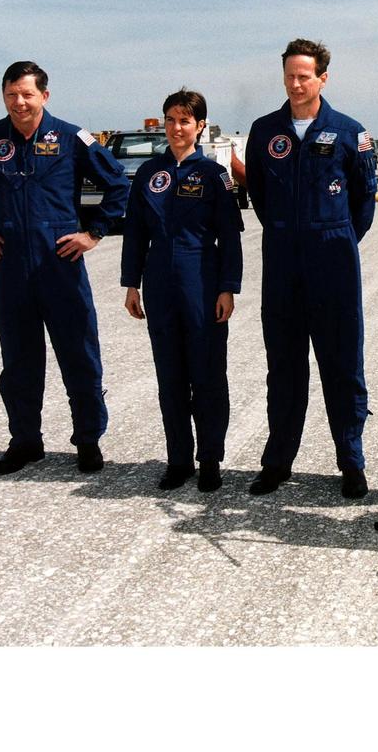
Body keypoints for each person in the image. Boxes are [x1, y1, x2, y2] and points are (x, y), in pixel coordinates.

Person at [0, 61, 129, 475]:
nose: (19, 102)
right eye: (11, 95)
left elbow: (118, 184)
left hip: (60, 265)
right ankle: (26, 441)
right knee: (19, 361)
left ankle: (88, 440)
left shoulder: (70, 137)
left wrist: (93, 233)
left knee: (79, 354)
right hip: (12, 270)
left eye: (27, 94)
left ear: (44, 95)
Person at [245, 39, 377, 498]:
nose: (296, 84)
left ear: (323, 77)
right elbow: (259, 194)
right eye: (289, 76)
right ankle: (278, 461)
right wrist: (289, 232)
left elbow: (364, 199)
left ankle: (351, 462)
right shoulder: (264, 131)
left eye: (305, 76)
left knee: (342, 366)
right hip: (282, 261)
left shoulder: (349, 131)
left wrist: (333, 237)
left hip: (333, 261)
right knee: (283, 367)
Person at [121, 89, 244, 493]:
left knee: (207, 374)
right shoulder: (148, 175)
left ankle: (210, 458)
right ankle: (178, 458)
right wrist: (131, 283)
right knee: (170, 376)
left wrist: (228, 288)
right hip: (159, 282)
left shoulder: (214, 175)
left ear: (200, 126)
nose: (177, 128)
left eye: (186, 121)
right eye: (171, 120)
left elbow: (230, 236)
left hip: (202, 279)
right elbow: (136, 233)